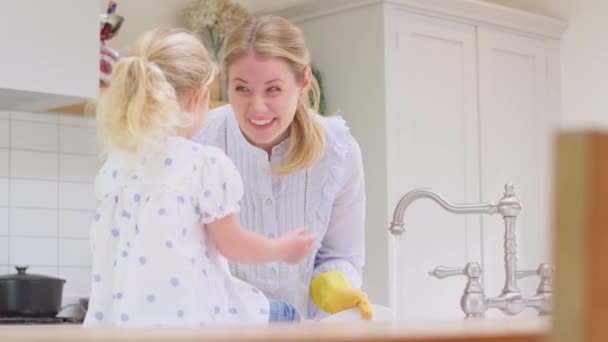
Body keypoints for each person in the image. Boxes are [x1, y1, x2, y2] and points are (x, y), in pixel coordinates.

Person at [84, 27, 315, 327]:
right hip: (199, 322)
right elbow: (234, 246)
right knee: (286, 315)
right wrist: (283, 249)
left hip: (121, 326)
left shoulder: (116, 166)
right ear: (198, 97)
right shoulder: (202, 165)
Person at [194, 15, 372, 320]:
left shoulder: (338, 153)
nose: (257, 106)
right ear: (226, 83)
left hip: (302, 329)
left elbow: (340, 254)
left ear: (303, 82)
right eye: (242, 89)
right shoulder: (200, 143)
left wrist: (332, 286)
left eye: (273, 89)